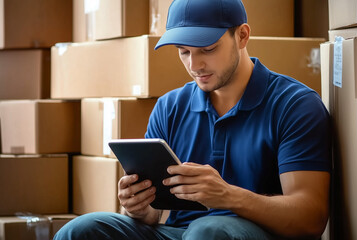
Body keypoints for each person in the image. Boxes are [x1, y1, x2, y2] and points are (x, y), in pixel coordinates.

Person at [54, 0, 331, 239]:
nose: (194, 65)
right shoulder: (170, 107)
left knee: (208, 231)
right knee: (79, 230)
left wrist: (228, 195)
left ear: (242, 36)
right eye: (184, 52)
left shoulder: (295, 105)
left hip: (257, 234)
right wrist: (138, 207)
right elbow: (154, 216)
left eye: (208, 49)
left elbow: (311, 219)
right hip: (182, 234)